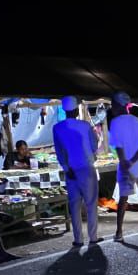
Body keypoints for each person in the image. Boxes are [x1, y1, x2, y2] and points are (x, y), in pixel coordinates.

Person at [52, 96, 100, 248]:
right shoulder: (85, 126)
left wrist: (67, 168)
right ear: (76, 110)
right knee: (91, 204)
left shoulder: (57, 128)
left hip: (71, 171)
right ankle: (93, 237)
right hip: (86, 168)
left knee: (74, 206)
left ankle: (78, 239)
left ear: (64, 110)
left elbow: (59, 152)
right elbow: (94, 146)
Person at [107, 91, 138, 241]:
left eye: (113, 104)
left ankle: (119, 233)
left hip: (126, 167)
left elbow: (118, 146)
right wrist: (134, 160)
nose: (112, 107)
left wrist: (126, 162)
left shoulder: (115, 122)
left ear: (118, 105)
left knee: (123, 199)